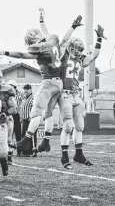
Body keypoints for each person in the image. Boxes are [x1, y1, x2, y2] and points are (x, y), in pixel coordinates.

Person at [0, 12, 83, 152]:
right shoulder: (52, 42)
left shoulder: (40, 49)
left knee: (36, 112)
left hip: (48, 82)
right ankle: (46, 141)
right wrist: (72, 26)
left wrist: (4, 52)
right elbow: (63, 39)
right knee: (48, 113)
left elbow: (22, 55)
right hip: (59, 84)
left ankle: (26, 140)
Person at [35, 12, 104, 169]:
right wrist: (73, 26)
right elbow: (63, 40)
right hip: (64, 94)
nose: (76, 50)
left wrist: (99, 39)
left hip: (76, 94)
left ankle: (78, 154)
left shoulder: (80, 59)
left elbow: (94, 55)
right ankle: (64, 156)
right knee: (68, 127)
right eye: (74, 47)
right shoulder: (62, 56)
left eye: (78, 48)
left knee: (80, 126)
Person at [7, 80, 24, 156]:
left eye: (11, 85)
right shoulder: (7, 94)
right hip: (10, 114)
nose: (10, 87)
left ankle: (19, 151)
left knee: (18, 133)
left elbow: (22, 105)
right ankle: (8, 150)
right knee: (9, 133)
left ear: (15, 86)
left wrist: (21, 115)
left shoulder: (20, 94)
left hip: (17, 115)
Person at [19, 84, 37, 156]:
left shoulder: (33, 98)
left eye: (27, 89)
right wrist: (21, 117)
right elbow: (22, 108)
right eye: (24, 89)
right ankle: (25, 151)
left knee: (32, 135)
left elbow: (35, 108)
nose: (25, 90)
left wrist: (33, 117)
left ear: (30, 90)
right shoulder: (23, 98)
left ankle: (33, 151)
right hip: (24, 119)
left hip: (31, 119)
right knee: (24, 135)